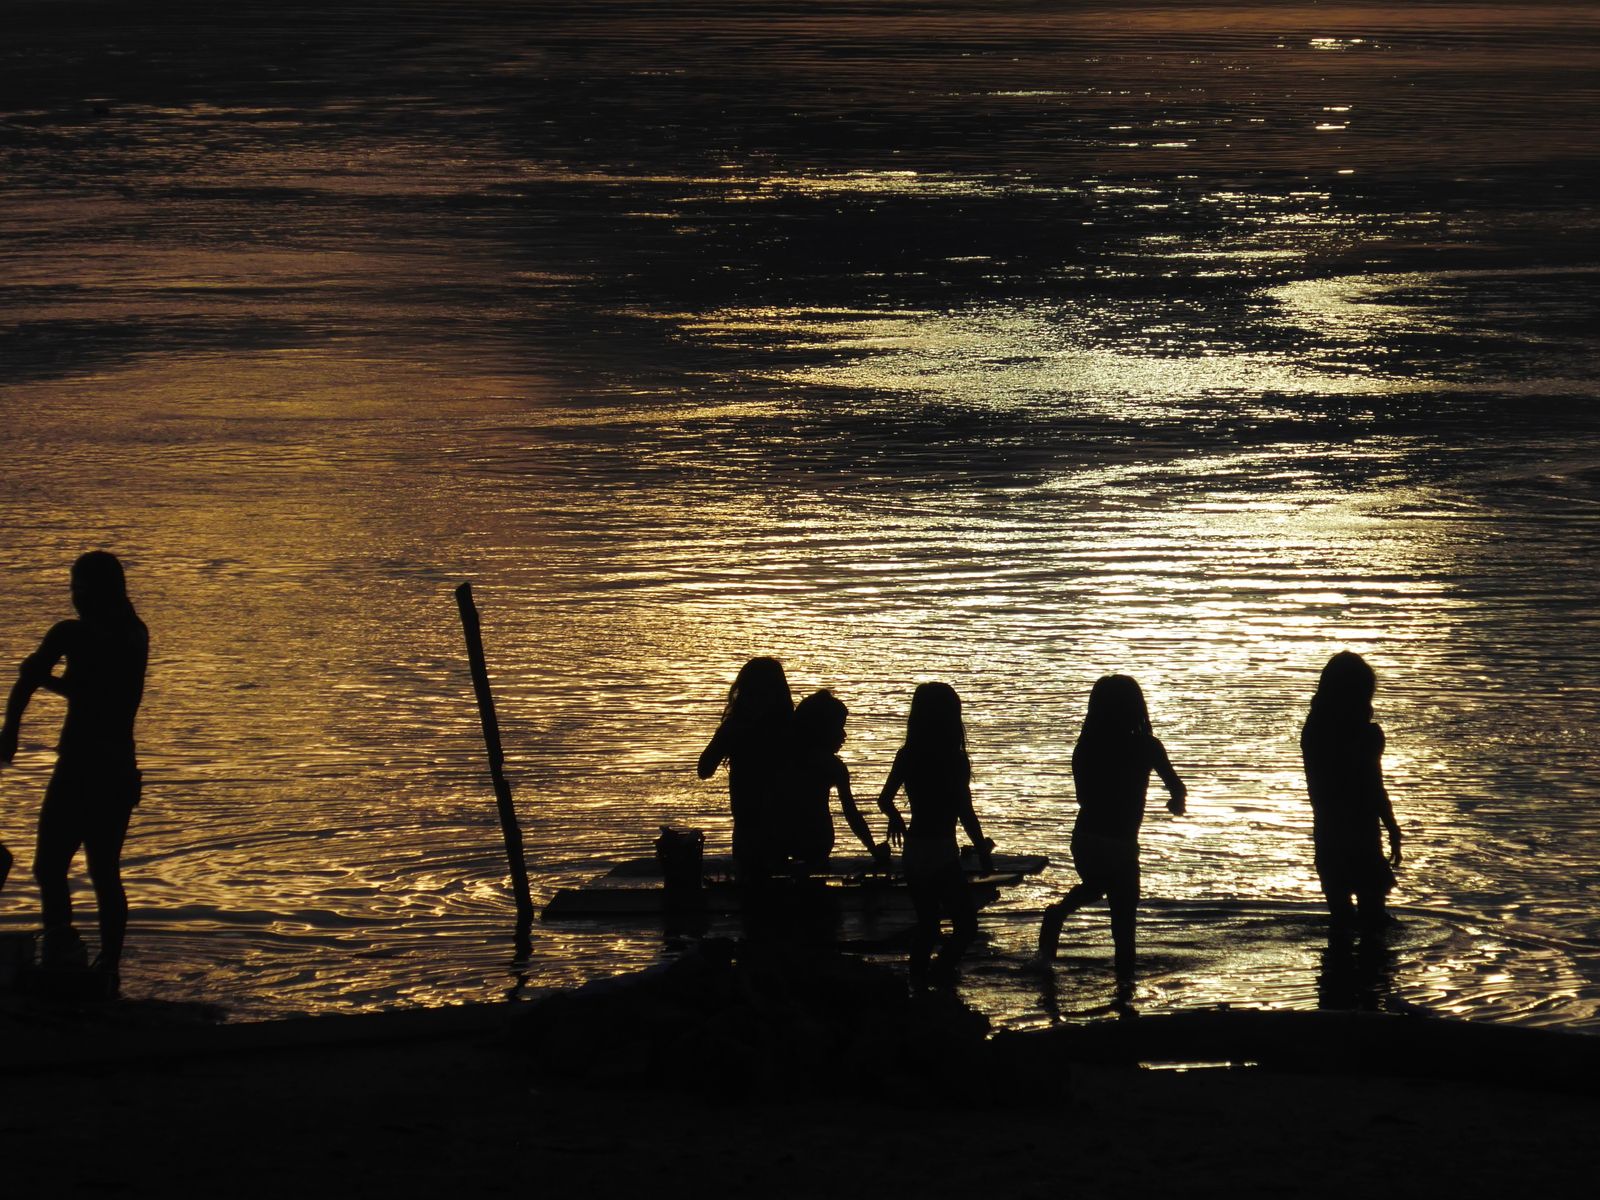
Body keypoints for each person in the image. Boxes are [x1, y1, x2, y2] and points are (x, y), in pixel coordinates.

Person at [0, 551, 148, 982]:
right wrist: (12, 726)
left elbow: (92, 692)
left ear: (104, 591)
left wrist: (42, 683)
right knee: (71, 868)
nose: (76, 598)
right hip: (100, 766)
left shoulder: (105, 636)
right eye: (73, 589)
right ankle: (76, 954)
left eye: (81, 589)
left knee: (85, 868)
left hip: (96, 766)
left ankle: (97, 961)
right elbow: (52, 683)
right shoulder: (113, 634)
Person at [1035, 674, 1186, 986]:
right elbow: (1176, 786)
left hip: (1086, 839)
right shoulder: (1148, 746)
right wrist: (1175, 802)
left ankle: (1059, 916)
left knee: (1097, 886)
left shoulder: (1085, 747)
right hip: (1121, 842)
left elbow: (1082, 798)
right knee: (1124, 918)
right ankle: (1125, 996)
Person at [877, 682, 993, 983]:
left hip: (914, 852)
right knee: (966, 928)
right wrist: (981, 850)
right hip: (941, 852)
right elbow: (965, 812)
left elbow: (884, 799)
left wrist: (896, 819)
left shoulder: (908, 754)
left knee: (928, 928)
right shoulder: (954, 760)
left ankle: (917, 986)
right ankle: (938, 976)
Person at [1301, 650, 1402, 932]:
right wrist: (1391, 825)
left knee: (1341, 926)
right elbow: (1372, 785)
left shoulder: (1313, 731)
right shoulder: (1362, 736)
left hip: (1328, 836)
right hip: (1361, 836)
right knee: (1374, 927)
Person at [697, 656, 793, 883]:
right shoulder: (790, 728)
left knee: (751, 882)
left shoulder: (734, 729)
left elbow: (704, 769)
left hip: (750, 822)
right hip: (782, 821)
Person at [780, 689, 887, 871]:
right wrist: (874, 850)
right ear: (822, 729)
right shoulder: (832, 766)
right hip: (816, 845)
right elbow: (851, 814)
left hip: (781, 841)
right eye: (839, 728)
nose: (844, 735)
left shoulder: (783, 759)